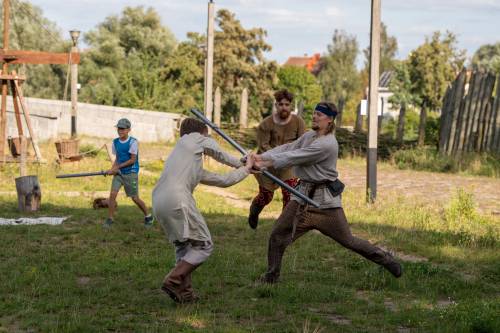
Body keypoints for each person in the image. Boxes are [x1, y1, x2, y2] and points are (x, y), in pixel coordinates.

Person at [254, 102, 402, 283]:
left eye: (320, 115)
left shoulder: (327, 144)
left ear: (330, 120)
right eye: (314, 113)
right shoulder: (309, 136)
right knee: (278, 234)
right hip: (302, 199)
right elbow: (287, 149)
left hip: (324, 204)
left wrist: (263, 163)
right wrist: (259, 157)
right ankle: (271, 276)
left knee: (349, 241)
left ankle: (386, 259)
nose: (315, 116)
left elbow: (293, 157)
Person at [152, 118, 255, 303]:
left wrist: (245, 170)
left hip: (158, 200)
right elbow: (219, 153)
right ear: (202, 132)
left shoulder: (187, 160)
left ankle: (186, 294)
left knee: (184, 246)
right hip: (177, 198)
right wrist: (244, 162)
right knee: (204, 245)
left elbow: (223, 180)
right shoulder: (195, 137)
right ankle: (174, 279)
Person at [248, 89, 305, 229]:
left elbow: (302, 142)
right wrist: (276, 158)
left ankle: (283, 227)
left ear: (291, 106)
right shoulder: (266, 124)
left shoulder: (298, 122)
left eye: (287, 104)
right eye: (280, 104)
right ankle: (254, 212)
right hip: (267, 165)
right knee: (266, 197)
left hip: (288, 165)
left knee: (289, 195)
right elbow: (263, 146)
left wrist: (291, 158)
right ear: (276, 105)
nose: (284, 107)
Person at [104, 118, 153, 227]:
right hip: (119, 173)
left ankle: (148, 216)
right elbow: (117, 158)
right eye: (119, 129)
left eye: (123, 129)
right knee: (112, 196)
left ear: (128, 130)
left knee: (134, 198)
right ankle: (110, 219)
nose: (120, 131)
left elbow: (132, 160)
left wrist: (117, 167)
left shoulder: (133, 142)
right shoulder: (115, 142)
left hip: (130, 173)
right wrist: (112, 169)